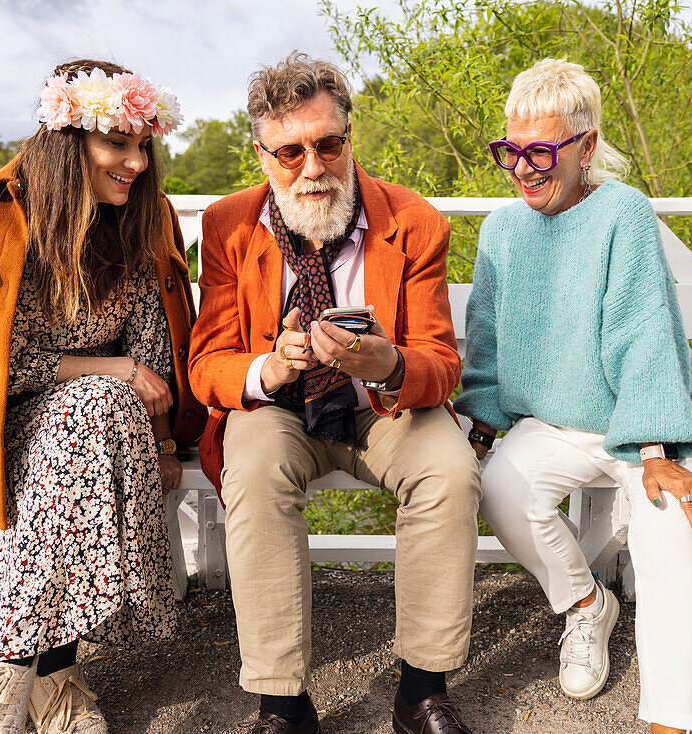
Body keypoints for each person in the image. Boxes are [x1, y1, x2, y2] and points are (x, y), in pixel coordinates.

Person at [0, 59, 204, 734]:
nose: (134, 160)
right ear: (70, 141)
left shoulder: (142, 221)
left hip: (107, 435)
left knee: (93, 409)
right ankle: (48, 675)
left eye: (142, 145)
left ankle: (8, 673)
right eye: (116, 142)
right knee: (92, 406)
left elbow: (154, 353)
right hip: (6, 439)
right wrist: (111, 367)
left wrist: (156, 438)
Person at [189, 52, 481, 734]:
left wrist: (387, 363)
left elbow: (441, 362)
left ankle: (422, 691)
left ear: (350, 137)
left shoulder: (414, 221)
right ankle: (282, 703)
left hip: (380, 408)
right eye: (289, 152)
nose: (312, 168)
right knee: (254, 469)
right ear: (261, 154)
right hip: (281, 413)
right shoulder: (228, 226)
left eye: (328, 144)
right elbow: (207, 363)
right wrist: (269, 367)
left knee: (449, 468)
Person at [455, 58, 692, 734]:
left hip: (645, 420)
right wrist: (479, 435)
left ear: (585, 146)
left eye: (541, 152)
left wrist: (658, 448)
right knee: (499, 490)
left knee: (671, 528)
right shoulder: (501, 231)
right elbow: (485, 342)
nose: (522, 169)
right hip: (558, 423)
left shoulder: (623, 213)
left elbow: (644, 331)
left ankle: (675, 720)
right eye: (511, 152)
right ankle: (585, 605)